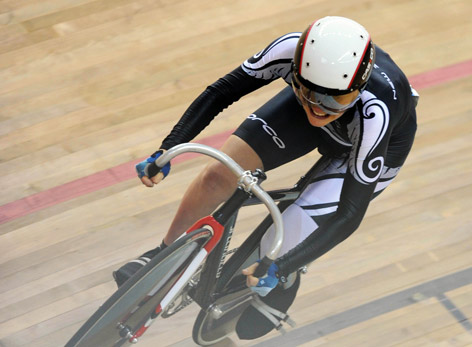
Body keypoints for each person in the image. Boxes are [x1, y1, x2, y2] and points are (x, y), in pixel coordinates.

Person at [113, 16, 418, 338]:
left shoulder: (376, 109)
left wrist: (282, 265)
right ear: (297, 71)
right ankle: (163, 255)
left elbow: (350, 214)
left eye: (336, 99)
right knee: (218, 176)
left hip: (373, 144)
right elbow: (222, 91)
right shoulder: (288, 51)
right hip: (305, 113)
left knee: (283, 238)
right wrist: (168, 148)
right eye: (310, 92)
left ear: (359, 86)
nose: (320, 109)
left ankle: (286, 281)